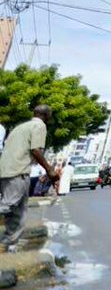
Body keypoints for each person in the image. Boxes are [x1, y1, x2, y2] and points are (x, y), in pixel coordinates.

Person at [0, 106, 59, 251]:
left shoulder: (21, 127)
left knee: (19, 213)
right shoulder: (39, 126)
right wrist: (49, 169)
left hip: (6, 170)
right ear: (47, 116)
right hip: (17, 172)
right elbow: (36, 150)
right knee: (7, 206)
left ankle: (5, 243)